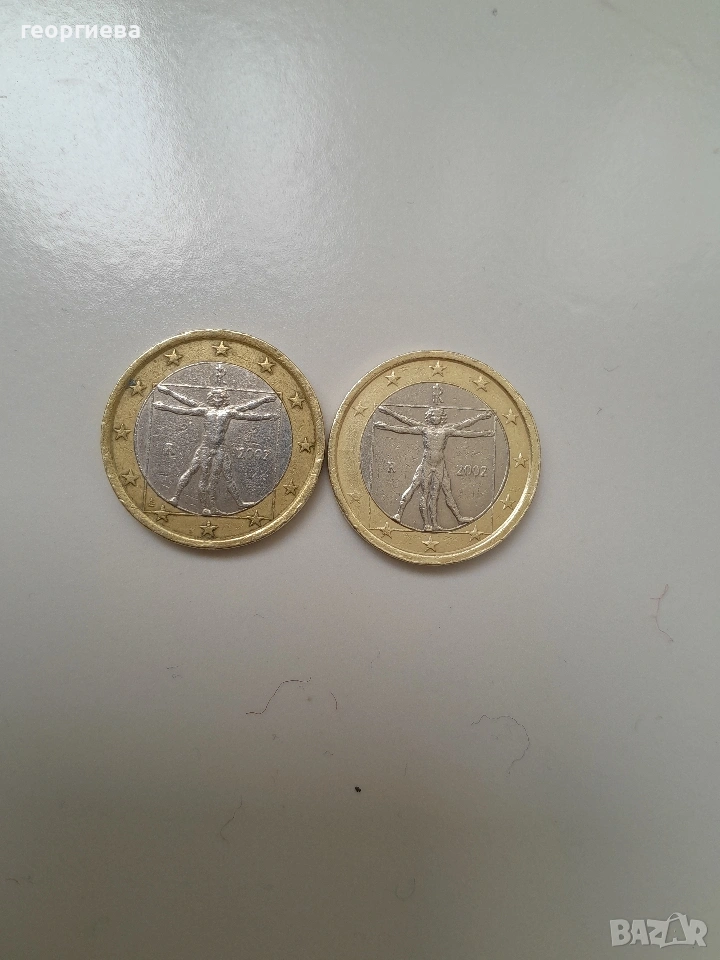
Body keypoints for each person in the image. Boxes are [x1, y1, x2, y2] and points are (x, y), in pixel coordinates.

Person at [154, 384, 277, 515]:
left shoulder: (229, 412)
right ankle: (181, 499)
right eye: (215, 397)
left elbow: (247, 410)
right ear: (211, 398)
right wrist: (167, 399)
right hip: (205, 448)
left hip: (220, 449)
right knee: (198, 474)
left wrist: (265, 406)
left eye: (220, 397)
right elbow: (185, 407)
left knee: (223, 476)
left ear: (224, 399)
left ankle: (235, 504)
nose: (217, 399)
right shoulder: (205, 410)